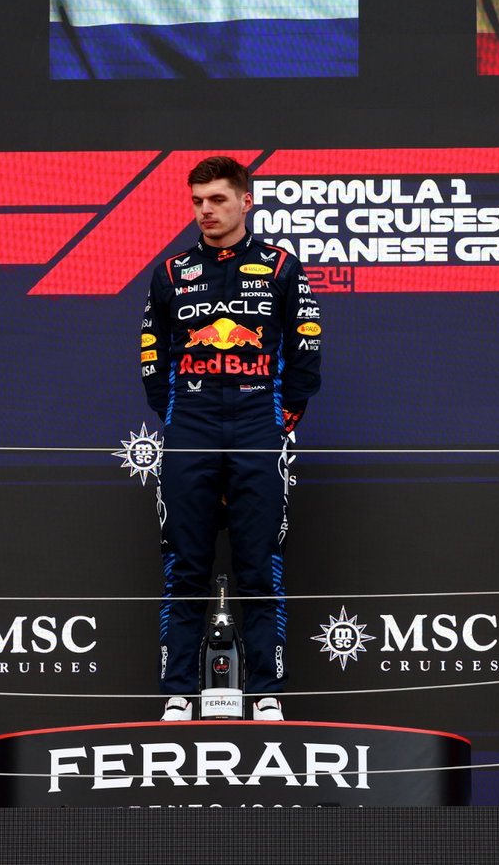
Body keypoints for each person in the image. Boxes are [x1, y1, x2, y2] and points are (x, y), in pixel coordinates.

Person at [139, 156, 322, 722]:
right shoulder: (171, 272)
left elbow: (306, 351)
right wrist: (175, 410)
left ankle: (266, 690)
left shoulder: (281, 268)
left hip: (256, 426)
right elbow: (152, 352)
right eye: (197, 201)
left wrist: (278, 421)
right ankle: (178, 691)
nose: (205, 211)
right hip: (190, 426)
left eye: (217, 199)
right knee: (185, 562)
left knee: (259, 562)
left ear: (247, 200)